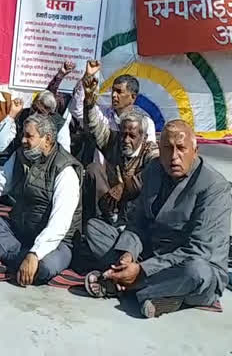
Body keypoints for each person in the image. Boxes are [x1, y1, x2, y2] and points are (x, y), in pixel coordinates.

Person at [84, 120, 231, 318]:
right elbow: (138, 222)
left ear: (194, 151)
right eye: (168, 149)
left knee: (197, 272)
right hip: (152, 253)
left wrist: (142, 270)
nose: (174, 157)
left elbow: (200, 250)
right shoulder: (154, 170)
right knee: (95, 230)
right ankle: (153, 291)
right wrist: (127, 254)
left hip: (187, 263)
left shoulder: (214, 187)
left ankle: (127, 285)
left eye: (181, 149)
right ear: (159, 150)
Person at [0, 114, 82, 285]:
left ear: (47, 140)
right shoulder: (20, 156)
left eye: (29, 136)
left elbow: (59, 224)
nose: (23, 140)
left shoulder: (65, 171)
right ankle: (17, 256)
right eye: (22, 135)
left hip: (56, 242)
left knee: (42, 269)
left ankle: (2, 251)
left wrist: (35, 254)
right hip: (20, 232)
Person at [82, 74, 158, 225]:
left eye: (132, 135)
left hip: (137, 197)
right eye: (123, 134)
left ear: (142, 136)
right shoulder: (116, 140)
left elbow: (154, 168)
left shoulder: (150, 147)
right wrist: (89, 102)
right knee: (93, 169)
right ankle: (107, 218)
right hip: (112, 187)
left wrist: (125, 186)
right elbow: (95, 129)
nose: (126, 140)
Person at [70, 60, 156, 144]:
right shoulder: (103, 114)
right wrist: (87, 77)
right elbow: (77, 110)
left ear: (133, 97)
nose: (114, 95)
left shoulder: (145, 122)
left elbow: (148, 150)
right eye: (113, 91)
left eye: (119, 92)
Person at [0, 91, 71, 155]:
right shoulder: (23, 115)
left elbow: (64, 154)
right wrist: (12, 115)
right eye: (33, 108)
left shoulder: (60, 125)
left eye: (40, 112)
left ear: (50, 114)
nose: (35, 114)